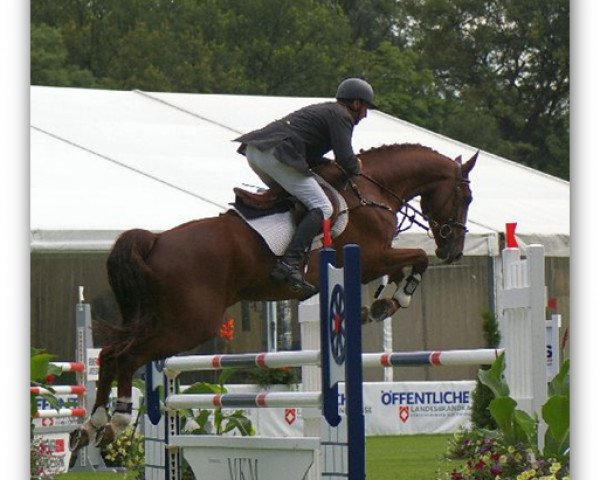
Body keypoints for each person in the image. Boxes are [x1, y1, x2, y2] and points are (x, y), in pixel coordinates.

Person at [235, 77, 377, 297]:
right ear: (356, 104)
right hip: (277, 153)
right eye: (365, 108)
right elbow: (346, 160)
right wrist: (357, 166)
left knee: (298, 201)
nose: (365, 115)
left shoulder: (327, 110)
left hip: (257, 152)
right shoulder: (342, 116)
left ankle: (273, 248)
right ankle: (290, 263)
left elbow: (313, 155)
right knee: (323, 207)